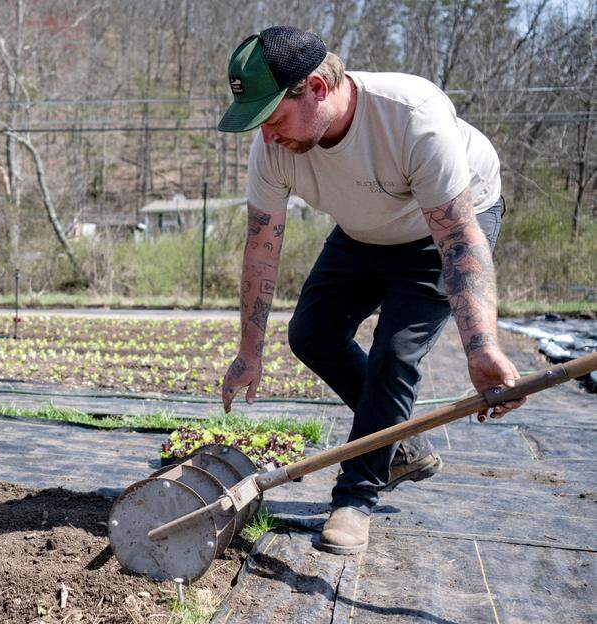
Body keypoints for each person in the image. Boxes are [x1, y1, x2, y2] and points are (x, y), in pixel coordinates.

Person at [216, 26, 526, 555]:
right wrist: (249, 350)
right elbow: (261, 248)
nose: (267, 135)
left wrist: (482, 348)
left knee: (394, 353)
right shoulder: (274, 148)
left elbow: (457, 239)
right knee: (312, 333)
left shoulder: (410, 115)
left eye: (273, 117)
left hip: (444, 227)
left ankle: (356, 497)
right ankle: (399, 444)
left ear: (316, 86)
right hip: (365, 231)